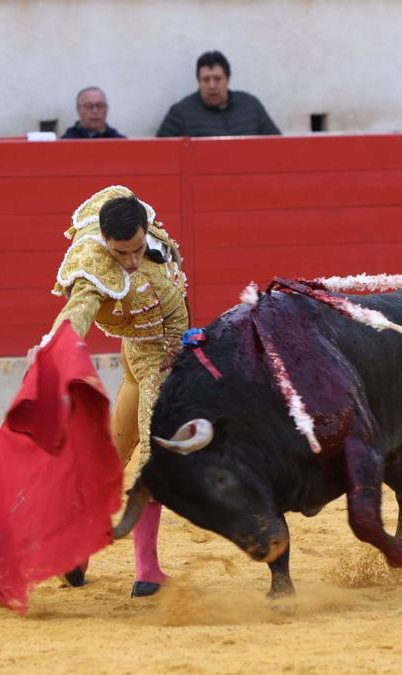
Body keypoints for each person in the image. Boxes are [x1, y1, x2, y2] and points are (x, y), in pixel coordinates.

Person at [34, 185, 188, 597]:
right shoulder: (94, 266)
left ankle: (73, 549)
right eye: (121, 254)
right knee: (155, 459)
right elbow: (78, 310)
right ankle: (147, 571)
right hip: (153, 361)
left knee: (113, 454)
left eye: (137, 248)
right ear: (106, 242)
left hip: (145, 352)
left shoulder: (132, 217)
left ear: (145, 228)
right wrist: (57, 349)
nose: (132, 260)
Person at [156, 50, 281, 137]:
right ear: (198, 82)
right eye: (206, 80)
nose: (212, 86)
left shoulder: (251, 106)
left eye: (217, 79)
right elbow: (159, 155)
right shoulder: (180, 113)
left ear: (227, 79)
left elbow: (280, 147)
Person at [61, 87, 125, 139]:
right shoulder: (65, 143)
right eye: (89, 106)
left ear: (106, 109)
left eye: (100, 105)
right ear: (78, 110)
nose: (95, 111)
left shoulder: (120, 141)